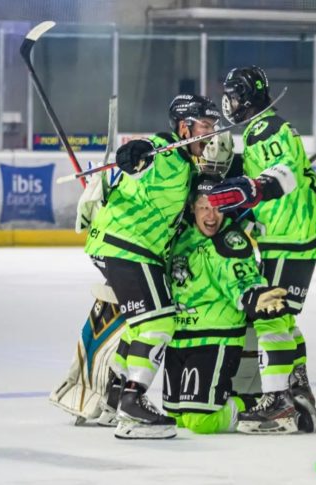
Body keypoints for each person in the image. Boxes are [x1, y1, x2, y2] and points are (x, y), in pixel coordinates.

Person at [84, 93, 222, 439]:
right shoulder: (163, 151)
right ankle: (134, 403)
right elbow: (139, 154)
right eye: (205, 127)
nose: (211, 135)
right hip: (129, 248)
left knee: (139, 325)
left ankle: (115, 398)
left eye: (213, 127)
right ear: (183, 127)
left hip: (124, 247)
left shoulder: (188, 163)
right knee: (160, 321)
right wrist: (132, 155)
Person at [208, 65, 316, 431]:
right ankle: (297, 388)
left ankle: (277, 401)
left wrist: (253, 188)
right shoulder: (260, 129)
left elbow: (285, 172)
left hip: (291, 235)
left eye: (233, 96)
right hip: (294, 233)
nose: (228, 102)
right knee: (284, 316)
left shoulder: (265, 128)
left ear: (246, 99)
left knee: (271, 314)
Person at [163, 175, 298, 434]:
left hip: (214, 337)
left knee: (201, 422)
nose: (211, 215)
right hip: (179, 339)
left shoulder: (230, 241)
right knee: (177, 417)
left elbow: (243, 276)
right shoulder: (181, 234)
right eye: (204, 207)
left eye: (217, 207)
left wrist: (252, 295)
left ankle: (264, 404)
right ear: (192, 207)